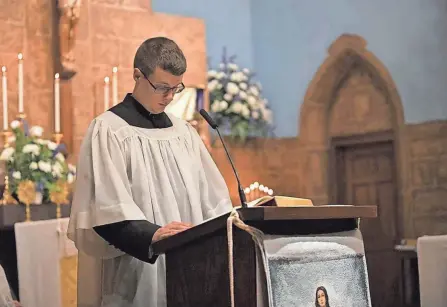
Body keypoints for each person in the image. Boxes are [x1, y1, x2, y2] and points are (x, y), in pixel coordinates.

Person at [67, 37, 233, 307]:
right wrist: (152, 235)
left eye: (176, 88)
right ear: (137, 76)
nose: (169, 97)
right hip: (136, 271)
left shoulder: (184, 134)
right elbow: (106, 208)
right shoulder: (109, 130)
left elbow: (213, 203)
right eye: (162, 87)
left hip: (188, 271)